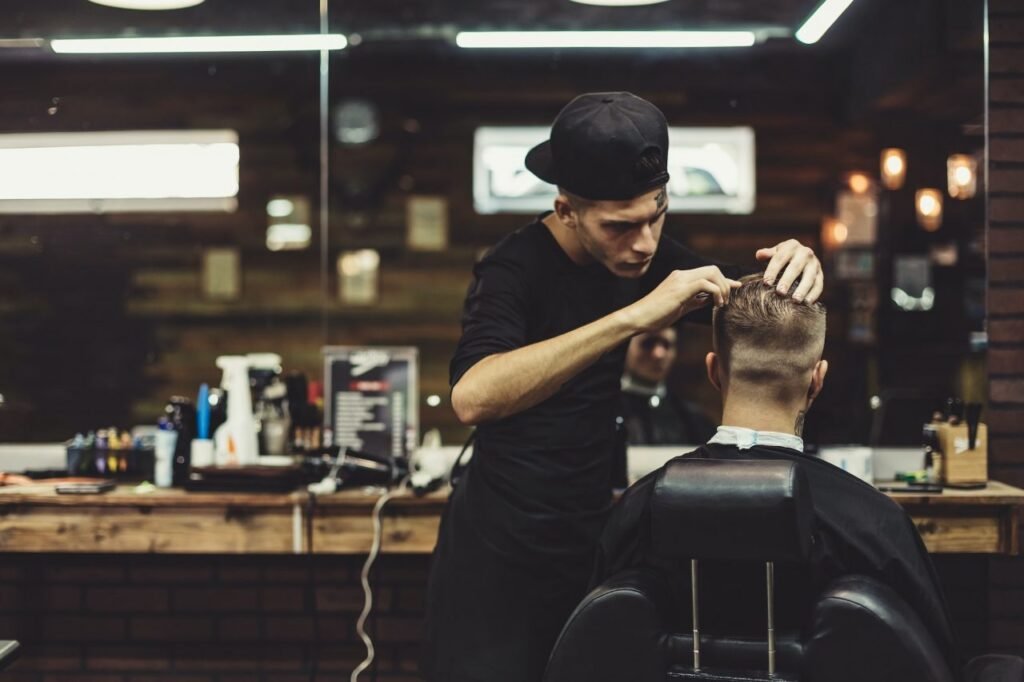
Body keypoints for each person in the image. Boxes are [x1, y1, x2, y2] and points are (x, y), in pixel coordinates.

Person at [423, 92, 825, 682]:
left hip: (588, 540)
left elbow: (751, 306)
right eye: (619, 226)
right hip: (498, 556)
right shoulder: (512, 269)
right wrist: (633, 317)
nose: (643, 243)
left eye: (656, 215)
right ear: (566, 211)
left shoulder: (644, 253)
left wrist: (794, 268)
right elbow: (473, 396)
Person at [594, 274, 960, 674]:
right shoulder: (873, 521)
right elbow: (934, 661)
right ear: (817, 380)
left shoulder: (640, 508)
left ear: (714, 371)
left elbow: (602, 645)